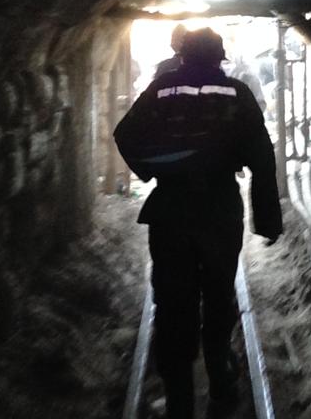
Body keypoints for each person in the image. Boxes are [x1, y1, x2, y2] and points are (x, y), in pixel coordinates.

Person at [114, 28, 282, 419]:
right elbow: (262, 157)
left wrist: (152, 169)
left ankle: (178, 395)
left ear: (183, 55)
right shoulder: (237, 94)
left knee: (173, 298)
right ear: (220, 58)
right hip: (220, 209)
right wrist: (267, 219)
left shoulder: (162, 89)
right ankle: (220, 371)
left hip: (171, 209)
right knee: (219, 291)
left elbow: (125, 134)